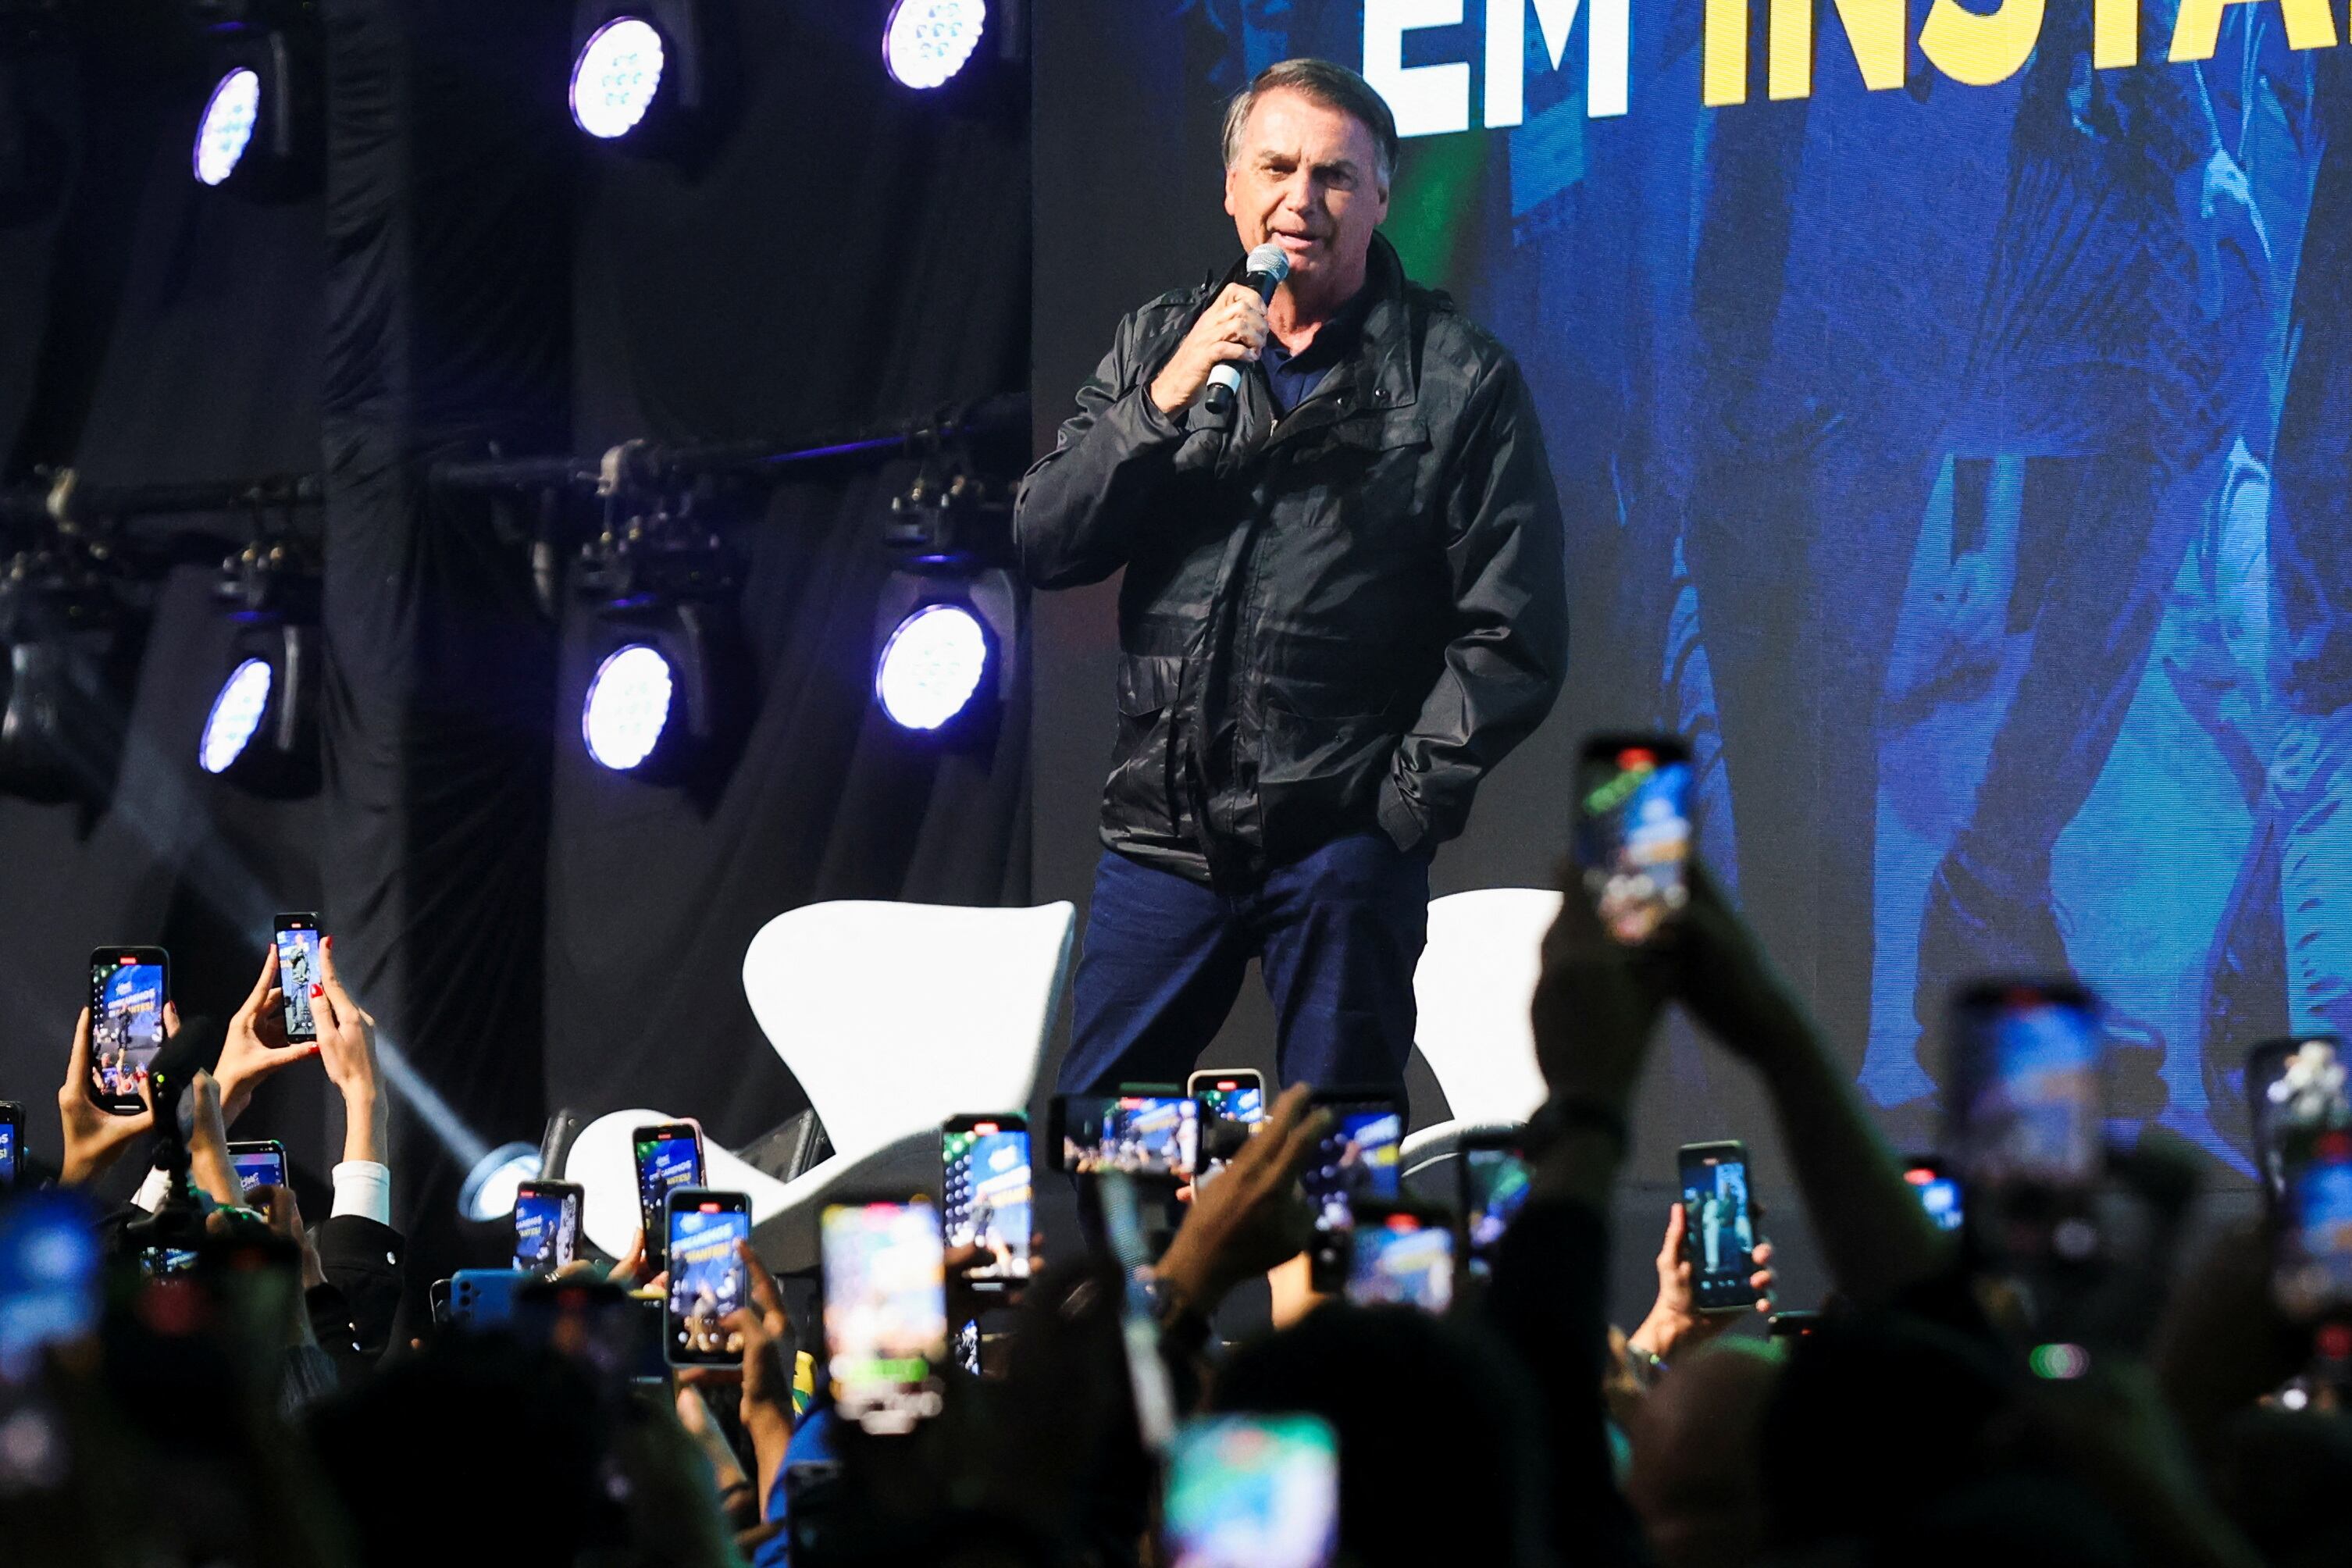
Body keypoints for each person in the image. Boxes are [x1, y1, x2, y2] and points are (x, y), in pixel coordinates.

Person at [1017, 55, 1568, 1097]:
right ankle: (1155, 1271)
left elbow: (1513, 631)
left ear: (1379, 197)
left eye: (1334, 176)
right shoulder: (1158, 343)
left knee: (1336, 1173)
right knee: (1106, 1148)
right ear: (1231, 188)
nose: (1299, 201)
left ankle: (1316, 1269)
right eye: (1275, 168)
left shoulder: (1458, 380)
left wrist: (1393, 813)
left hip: (1340, 855)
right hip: (1163, 838)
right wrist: (1160, 401)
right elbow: (1050, 540)